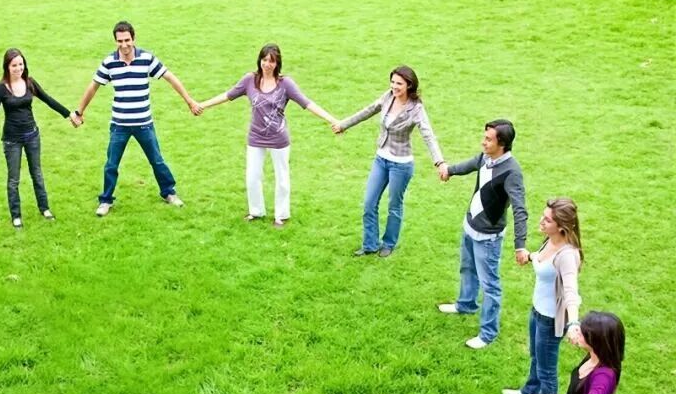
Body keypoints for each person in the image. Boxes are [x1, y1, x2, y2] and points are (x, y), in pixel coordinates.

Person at [197, 44, 336, 228]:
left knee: (282, 179)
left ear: (277, 63)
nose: (267, 64)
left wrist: (332, 120)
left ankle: (281, 215)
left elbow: (307, 103)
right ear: (259, 60)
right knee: (252, 176)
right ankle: (256, 211)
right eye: (264, 60)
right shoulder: (250, 80)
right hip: (256, 137)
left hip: (279, 138)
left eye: (271, 61)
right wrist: (202, 105)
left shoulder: (285, 84)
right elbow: (228, 95)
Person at [75, 20, 200, 217]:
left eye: (127, 40)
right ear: (115, 41)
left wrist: (189, 101)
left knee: (157, 161)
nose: (124, 45)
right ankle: (106, 200)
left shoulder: (146, 59)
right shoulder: (109, 62)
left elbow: (170, 78)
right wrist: (79, 111)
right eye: (120, 41)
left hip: (144, 124)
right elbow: (93, 87)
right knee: (111, 165)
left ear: (133, 38)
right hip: (119, 125)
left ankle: (169, 192)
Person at [332, 66, 446, 257]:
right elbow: (368, 110)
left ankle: (388, 243)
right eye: (392, 82)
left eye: (399, 83)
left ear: (409, 85)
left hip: (401, 165)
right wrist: (344, 125)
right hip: (381, 160)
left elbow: (428, 136)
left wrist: (439, 162)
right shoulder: (388, 96)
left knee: (394, 206)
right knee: (369, 203)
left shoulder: (416, 108)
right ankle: (370, 244)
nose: (394, 86)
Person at [436, 119, 529, 348]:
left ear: (502, 143)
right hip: (470, 227)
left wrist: (520, 245)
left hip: (488, 238)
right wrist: (449, 170)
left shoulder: (512, 172)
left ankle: (488, 333)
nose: (483, 142)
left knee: (490, 286)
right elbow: (469, 165)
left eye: (488, 139)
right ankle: (466, 304)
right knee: (467, 269)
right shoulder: (485, 158)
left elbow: (520, 209)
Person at [0, 49, 82, 228]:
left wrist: (70, 115)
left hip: (32, 136)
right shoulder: (0, 88)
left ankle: (44, 208)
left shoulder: (30, 83)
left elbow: (49, 100)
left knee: (37, 174)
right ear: (7, 67)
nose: (18, 68)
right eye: (14, 65)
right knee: (13, 179)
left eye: (21, 64)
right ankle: (16, 215)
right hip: (11, 140)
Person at [502, 198, 584, 394]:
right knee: (536, 358)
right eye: (543, 216)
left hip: (550, 320)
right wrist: (529, 256)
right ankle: (530, 391)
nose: (541, 221)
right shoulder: (550, 240)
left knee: (546, 371)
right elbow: (541, 259)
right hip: (537, 311)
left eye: (547, 220)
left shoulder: (567, 255)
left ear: (561, 226)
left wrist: (574, 323)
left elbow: (571, 291)